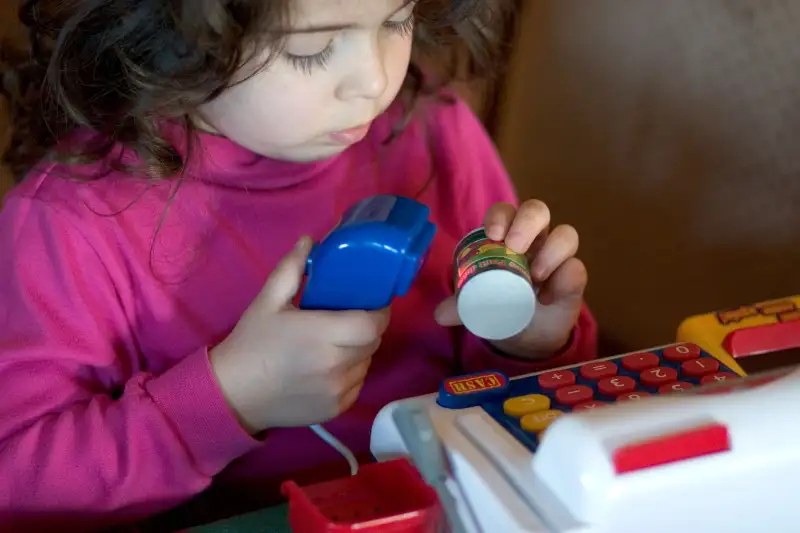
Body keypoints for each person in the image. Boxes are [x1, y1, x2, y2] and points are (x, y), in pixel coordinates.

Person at [0, 0, 598, 530]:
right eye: (310, 49)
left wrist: (528, 347)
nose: (375, 80)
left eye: (396, 20)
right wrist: (230, 399)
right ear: (170, 34)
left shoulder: (434, 125)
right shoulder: (72, 221)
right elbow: (18, 484)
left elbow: (516, 403)